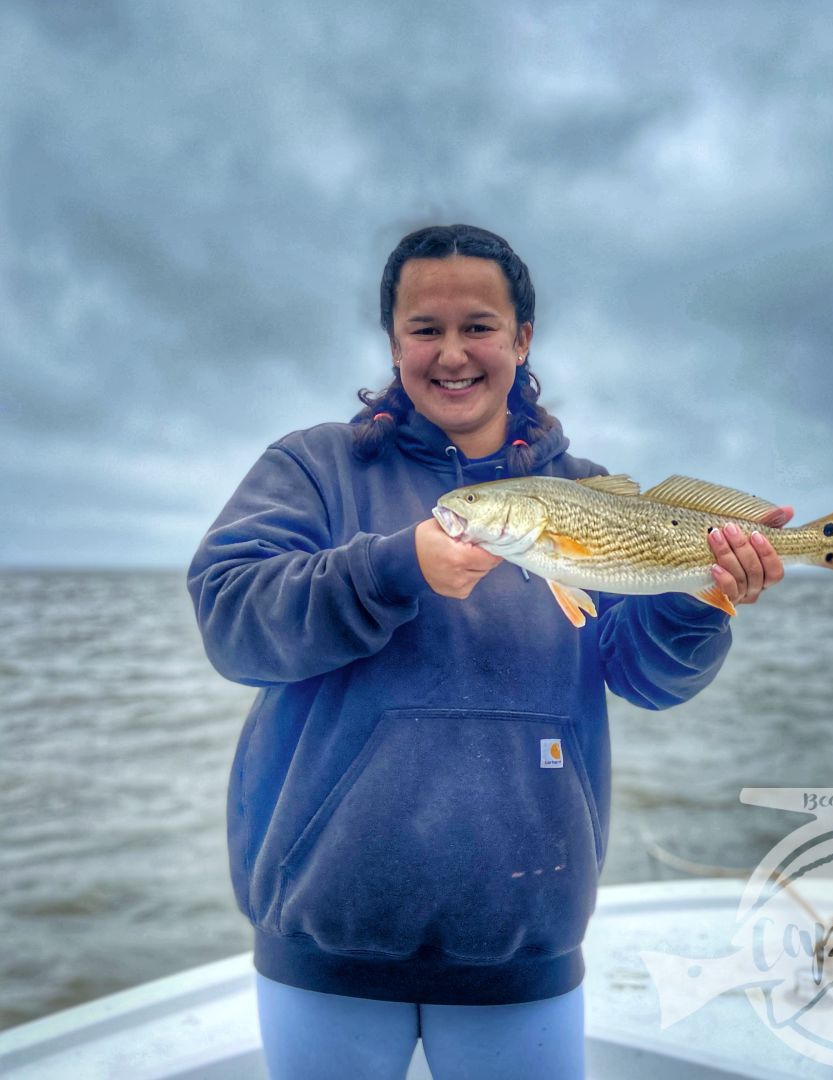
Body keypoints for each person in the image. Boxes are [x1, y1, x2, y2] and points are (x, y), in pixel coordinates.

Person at [187, 224, 786, 1080]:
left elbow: (647, 677)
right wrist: (396, 565)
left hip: (525, 939)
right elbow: (230, 617)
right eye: (425, 329)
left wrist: (702, 597)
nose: (453, 353)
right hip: (326, 938)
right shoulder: (312, 469)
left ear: (522, 339)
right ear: (392, 341)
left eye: (480, 326)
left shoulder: (588, 496)